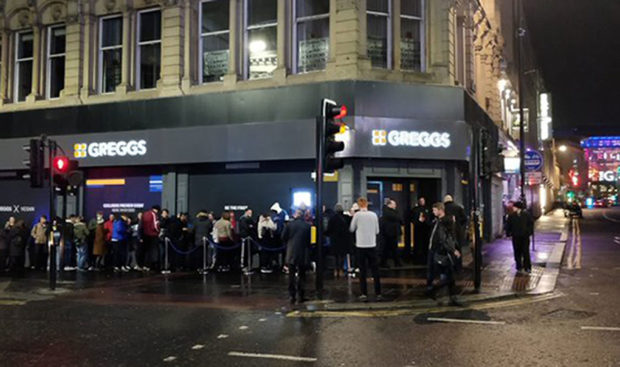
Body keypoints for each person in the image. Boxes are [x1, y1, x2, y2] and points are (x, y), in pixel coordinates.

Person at [427, 202, 462, 306]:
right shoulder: (439, 220)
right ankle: (452, 298)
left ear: (440, 210)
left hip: (443, 252)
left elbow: (445, 239)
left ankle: (433, 289)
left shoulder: (444, 222)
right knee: (449, 275)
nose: (433, 212)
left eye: (434, 210)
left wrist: (452, 250)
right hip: (438, 250)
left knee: (448, 276)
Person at [349, 197, 382, 301]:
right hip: (372, 244)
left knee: (363, 271)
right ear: (367, 204)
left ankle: (364, 293)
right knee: (375, 270)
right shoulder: (373, 215)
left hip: (361, 245)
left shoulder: (357, 215)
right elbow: (377, 231)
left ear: (358, 205)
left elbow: (351, 228)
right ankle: (378, 293)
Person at [281, 210, 311, 305]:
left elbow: (283, 237)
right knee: (302, 275)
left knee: (291, 275)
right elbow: (309, 240)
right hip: (303, 252)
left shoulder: (289, 225)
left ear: (295, 215)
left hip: (291, 252)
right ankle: (301, 295)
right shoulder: (307, 226)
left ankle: (292, 295)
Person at [506, 201, 534, 274]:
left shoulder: (525, 215)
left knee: (524, 252)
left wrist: (529, 232)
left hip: (523, 236)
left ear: (517, 208)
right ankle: (520, 266)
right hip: (517, 236)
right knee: (519, 252)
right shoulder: (512, 215)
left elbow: (531, 224)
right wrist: (509, 233)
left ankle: (525, 266)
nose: (513, 208)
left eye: (514, 207)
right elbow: (508, 225)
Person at [326, 204, 351, 278]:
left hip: (334, 240)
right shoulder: (347, 218)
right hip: (344, 240)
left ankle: (335, 270)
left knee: (336, 256)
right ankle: (341, 270)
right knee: (343, 256)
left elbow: (329, 229)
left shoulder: (332, 218)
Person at [380, 199, 403, 268]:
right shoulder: (387, 212)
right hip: (388, 233)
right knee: (388, 249)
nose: (395, 205)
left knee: (392, 248)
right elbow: (398, 217)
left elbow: (401, 219)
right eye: (394, 204)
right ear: (389, 204)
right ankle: (385, 263)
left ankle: (396, 262)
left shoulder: (393, 212)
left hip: (392, 233)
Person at [411, 197, 433, 263]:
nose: (422, 202)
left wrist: (427, 222)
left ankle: (425, 259)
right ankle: (417, 259)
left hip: (426, 229)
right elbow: (412, 219)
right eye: (421, 201)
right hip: (418, 229)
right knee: (418, 245)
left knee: (425, 244)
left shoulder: (428, 209)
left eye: (423, 200)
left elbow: (430, 218)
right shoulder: (415, 210)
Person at [141, 205, 161, 271]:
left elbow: (141, 225)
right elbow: (155, 226)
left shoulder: (145, 214)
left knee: (146, 251)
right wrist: (158, 232)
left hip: (145, 234)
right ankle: (151, 265)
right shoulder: (154, 214)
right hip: (152, 235)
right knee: (152, 251)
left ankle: (145, 265)